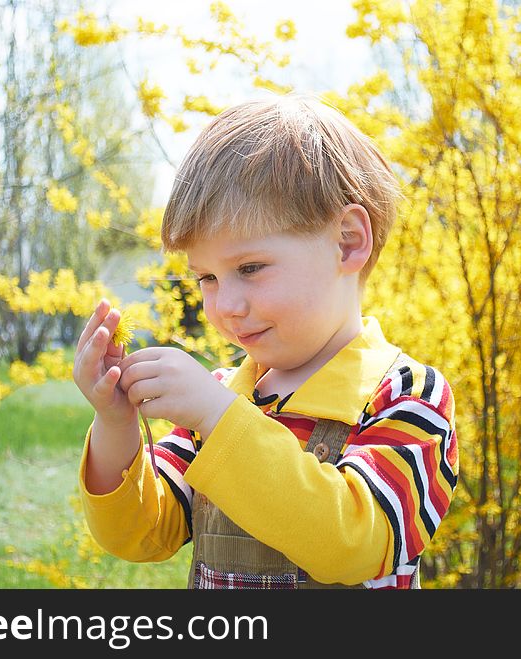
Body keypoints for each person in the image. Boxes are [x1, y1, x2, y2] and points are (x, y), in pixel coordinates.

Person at [72, 94, 459, 589]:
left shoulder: (407, 396)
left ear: (348, 241)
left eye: (249, 268)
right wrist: (115, 423)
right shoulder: (226, 394)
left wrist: (218, 417)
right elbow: (142, 533)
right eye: (206, 278)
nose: (225, 305)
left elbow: (353, 543)